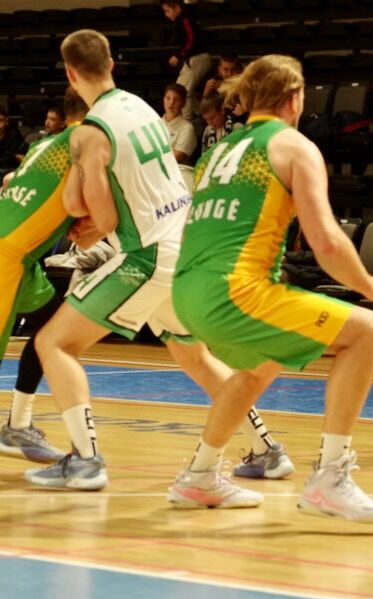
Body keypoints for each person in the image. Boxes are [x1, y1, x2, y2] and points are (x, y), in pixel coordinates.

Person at [24, 30, 292, 491]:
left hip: (147, 254)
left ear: (69, 73)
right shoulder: (142, 108)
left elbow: (102, 215)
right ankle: (266, 450)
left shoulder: (89, 132)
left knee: (54, 344)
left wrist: (80, 211)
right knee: (193, 355)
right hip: (184, 247)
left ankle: (85, 461)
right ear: (111, 63)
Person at [170, 54, 373, 520]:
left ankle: (198, 476)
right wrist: (368, 283)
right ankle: (330, 480)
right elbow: (326, 242)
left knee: (257, 368)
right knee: (369, 332)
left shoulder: (219, 150)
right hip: (235, 291)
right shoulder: (293, 146)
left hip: (186, 291)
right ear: (295, 99)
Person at [0, 89, 88, 465]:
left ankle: (18, 424)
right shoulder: (87, 141)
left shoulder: (41, 145)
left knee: (53, 332)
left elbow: (9, 181)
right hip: (8, 255)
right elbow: (79, 203)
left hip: (24, 256)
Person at [160, 0, 211, 120]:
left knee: (182, 91)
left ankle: (186, 119)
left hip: (197, 58)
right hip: (195, 59)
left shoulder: (185, 19)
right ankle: (202, 113)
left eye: (167, 11)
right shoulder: (184, 20)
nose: (166, 14)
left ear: (177, 8)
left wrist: (179, 55)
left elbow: (190, 39)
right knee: (182, 89)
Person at [162, 83, 198, 166]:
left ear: (183, 103)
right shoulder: (156, 123)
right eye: (168, 98)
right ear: (163, 99)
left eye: (176, 100)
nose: (171, 103)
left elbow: (178, 156)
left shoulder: (187, 128)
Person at [0, 106, 22, 174]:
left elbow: (12, 157)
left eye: (1, 120)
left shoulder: (15, 136)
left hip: (9, 169)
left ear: (6, 121)